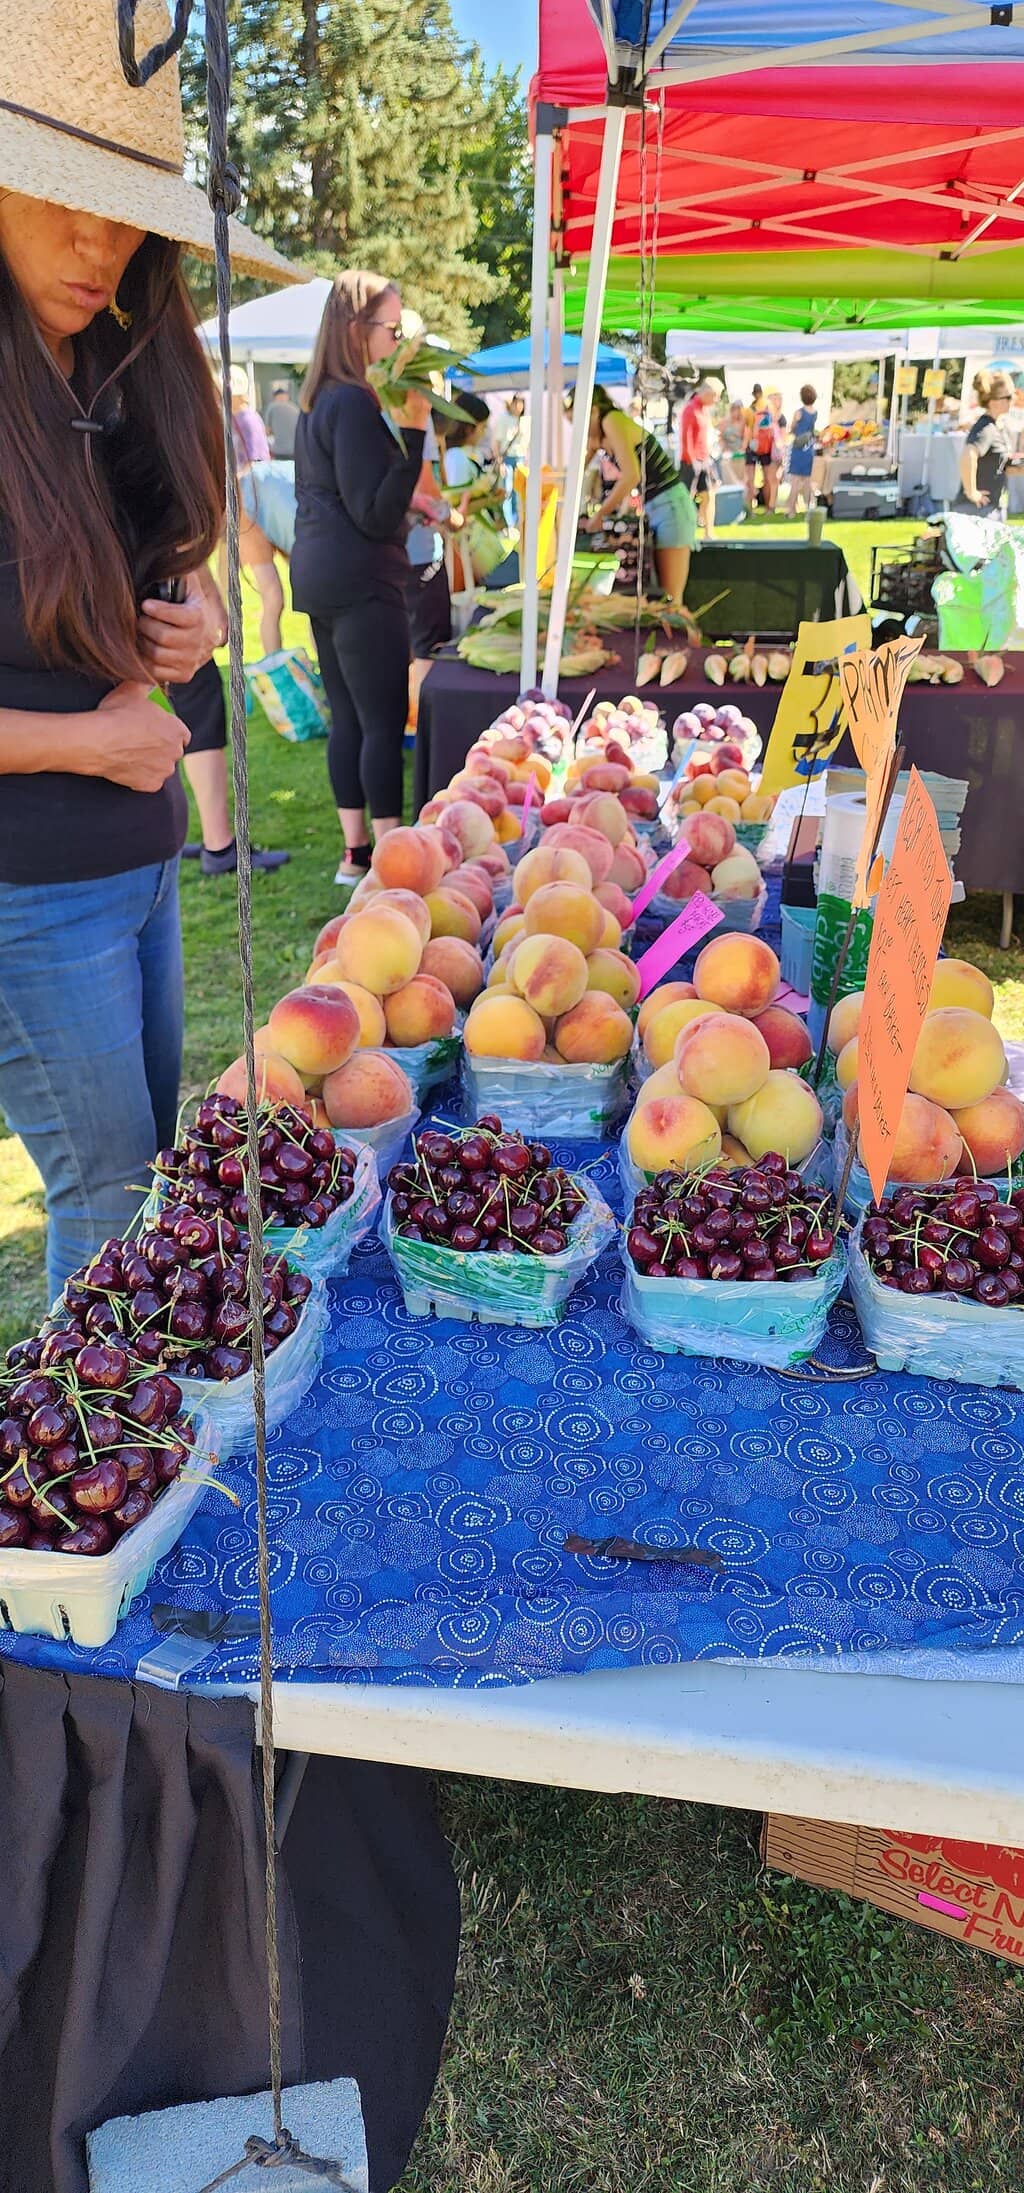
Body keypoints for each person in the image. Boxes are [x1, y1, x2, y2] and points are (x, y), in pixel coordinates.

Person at [0, 18, 296, 1300]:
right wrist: (83, 740)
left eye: (124, 218)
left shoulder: (107, 368)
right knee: (108, 1198)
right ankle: (75, 1422)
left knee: (146, 1175)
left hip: (140, 858)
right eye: (65, 203)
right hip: (26, 887)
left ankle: (126, 1398)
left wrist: (196, 612)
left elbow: (154, 564)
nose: (99, 247)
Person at [291, 270, 429, 883]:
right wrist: (416, 433)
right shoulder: (350, 401)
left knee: (348, 718)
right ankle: (390, 859)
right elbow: (372, 514)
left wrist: (412, 499)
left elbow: (347, 493)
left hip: (322, 574)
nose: (397, 341)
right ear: (356, 329)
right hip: (359, 580)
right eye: (391, 329)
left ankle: (357, 855)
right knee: (380, 721)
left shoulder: (320, 399)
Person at [580, 385, 698, 603]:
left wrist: (600, 514)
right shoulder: (606, 430)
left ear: (593, 410)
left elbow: (631, 476)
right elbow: (578, 471)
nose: (577, 426)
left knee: (671, 600)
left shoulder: (611, 420)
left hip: (671, 508)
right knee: (662, 600)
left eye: (576, 418)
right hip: (660, 508)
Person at [225, 364, 285, 659]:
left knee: (271, 596)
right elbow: (257, 463)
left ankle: (273, 662)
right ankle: (275, 666)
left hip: (247, 505)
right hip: (254, 506)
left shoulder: (237, 419)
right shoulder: (244, 418)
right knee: (274, 596)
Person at [958, 368, 1018, 516]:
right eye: (1009, 396)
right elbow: (968, 454)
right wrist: (972, 492)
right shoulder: (986, 428)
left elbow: (1004, 466)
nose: (1013, 400)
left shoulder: (998, 427)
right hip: (977, 510)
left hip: (990, 509)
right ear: (993, 402)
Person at [678, 380, 718, 538]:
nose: (716, 400)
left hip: (704, 459)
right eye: (715, 396)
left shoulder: (704, 410)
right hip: (691, 461)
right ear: (707, 393)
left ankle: (709, 533)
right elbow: (686, 436)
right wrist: (691, 460)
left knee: (709, 495)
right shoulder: (690, 409)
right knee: (687, 497)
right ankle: (683, 533)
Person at [785, 383, 819, 515]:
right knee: (807, 480)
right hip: (809, 448)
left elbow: (792, 429)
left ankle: (791, 510)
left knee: (795, 480)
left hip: (798, 448)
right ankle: (809, 507)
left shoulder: (799, 413)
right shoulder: (815, 413)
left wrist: (794, 423)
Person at [266, 378, 299, 460]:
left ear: (275, 397)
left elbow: (267, 431)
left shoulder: (272, 407)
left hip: (279, 451)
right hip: (296, 450)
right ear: (287, 396)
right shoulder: (295, 408)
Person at [718, 400, 748, 485]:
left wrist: (742, 449)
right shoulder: (724, 422)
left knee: (740, 479)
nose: (736, 412)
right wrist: (724, 449)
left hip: (739, 454)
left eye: (738, 410)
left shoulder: (743, 421)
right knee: (728, 479)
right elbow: (721, 438)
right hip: (727, 454)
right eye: (734, 409)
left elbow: (746, 437)